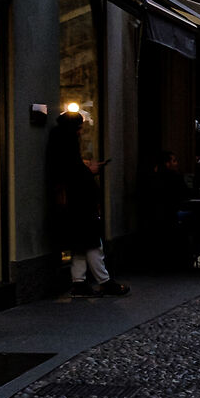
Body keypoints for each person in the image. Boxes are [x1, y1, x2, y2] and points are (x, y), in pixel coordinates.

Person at [47, 112, 129, 298]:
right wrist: (88, 170)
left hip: (72, 203)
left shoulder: (58, 140)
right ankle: (104, 281)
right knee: (93, 243)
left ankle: (79, 283)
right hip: (80, 202)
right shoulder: (67, 143)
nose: (81, 131)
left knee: (80, 245)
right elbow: (74, 172)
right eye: (79, 127)